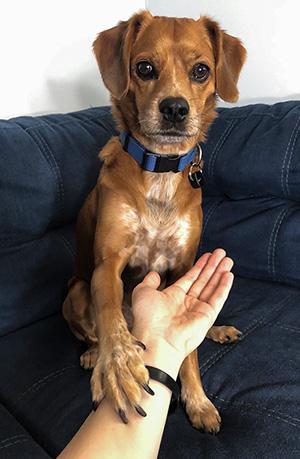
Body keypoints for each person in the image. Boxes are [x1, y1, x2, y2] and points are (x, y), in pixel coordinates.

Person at [58, 248, 234, 459]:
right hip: (119, 303)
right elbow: (104, 268)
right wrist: (108, 342)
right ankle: (96, 342)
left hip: (159, 299)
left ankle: (195, 383)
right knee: (77, 300)